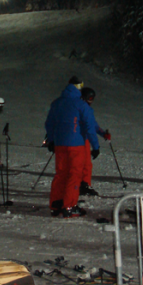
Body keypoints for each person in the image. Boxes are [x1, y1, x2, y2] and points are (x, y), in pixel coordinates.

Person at [45, 76, 100, 218]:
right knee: (74, 175)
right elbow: (89, 126)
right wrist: (95, 146)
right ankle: (69, 206)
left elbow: (49, 123)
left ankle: (56, 204)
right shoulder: (81, 104)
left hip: (60, 144)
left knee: (61, 173)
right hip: (76, 145)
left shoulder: (57, 103)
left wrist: (51, 140)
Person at [79, 87, 111, 196]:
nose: (91, 101)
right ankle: (82, 185)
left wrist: (103, 134)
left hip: (81, 139)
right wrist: (96, 147)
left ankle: (83, 184)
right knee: (84, 164)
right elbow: (90, 129)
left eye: (92, 98)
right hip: (81, 140)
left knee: (85, 164)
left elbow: (94, 126)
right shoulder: (84, 109)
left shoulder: (85, 109)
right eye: (90, 98)